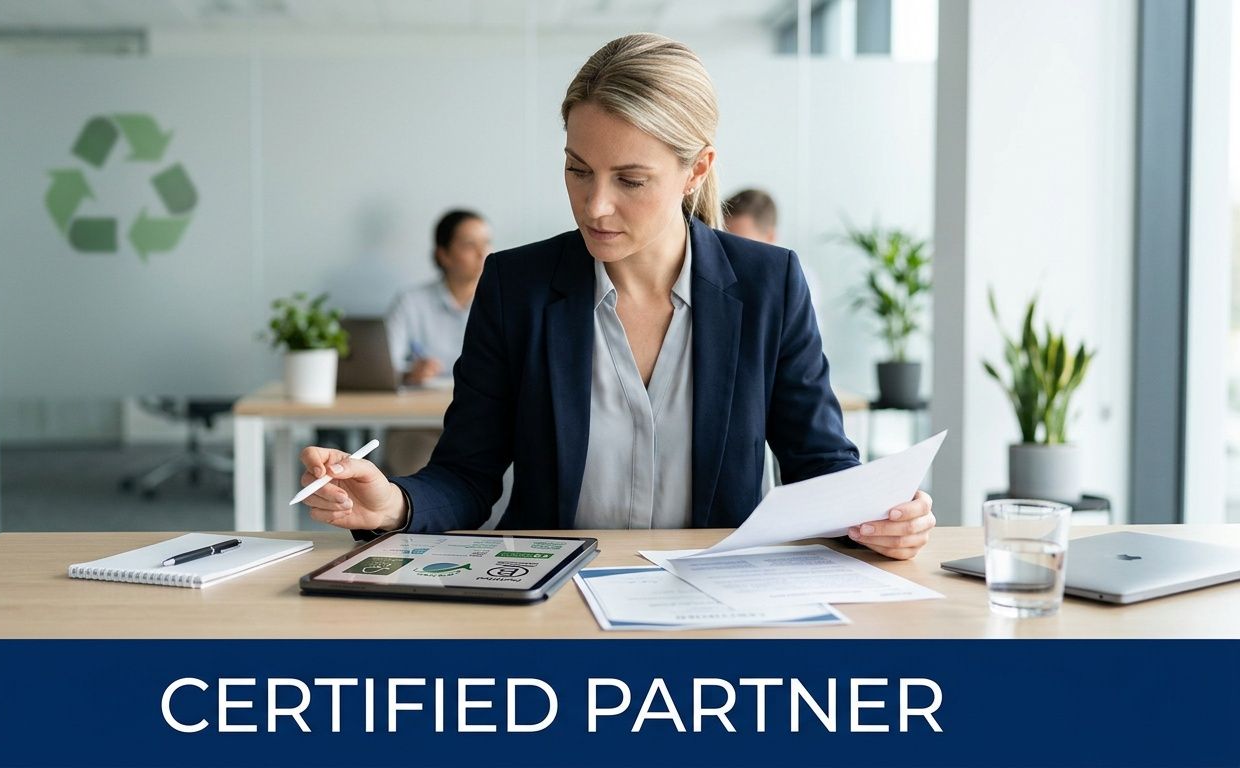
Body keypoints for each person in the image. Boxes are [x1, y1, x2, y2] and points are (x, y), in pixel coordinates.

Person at [300, 34, 934, 560]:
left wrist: (881, 515)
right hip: (554, 597)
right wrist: (393, 503)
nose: (594, 205)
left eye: (631, 179)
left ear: (697, 170)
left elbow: (819, 464)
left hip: (720, 601)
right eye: (578, 170)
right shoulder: (514, 288)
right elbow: (466, 475)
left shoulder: (772, 284)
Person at [386, 209, 492, 386]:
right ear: (443, 254)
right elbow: (388, 366)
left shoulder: (502, 303)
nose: (482, 253)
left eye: (487, 243)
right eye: (469, 245)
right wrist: (410, 372)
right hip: (422, 405)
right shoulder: (410, 302)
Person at [723, 187, 823, 331]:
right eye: (723, 241)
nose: (729, 253)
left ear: (770, 237)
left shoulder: (798, 283)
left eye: (742, 245)